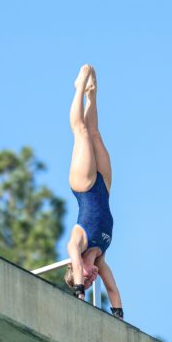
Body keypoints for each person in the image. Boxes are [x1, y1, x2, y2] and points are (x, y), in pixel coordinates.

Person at [64, 64, 123, 320]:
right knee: (95, 133)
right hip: (104, 188)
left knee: (81, 132)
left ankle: (78, 88)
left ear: (76, 269)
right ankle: (91, 93)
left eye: (87, 280)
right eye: (90, 284)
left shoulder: (77, 243)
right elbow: (113, 289)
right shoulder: (101, 257)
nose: (91, 280)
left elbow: (77, 266)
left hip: (84, 185)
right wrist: (118, 315)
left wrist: (80, 294)